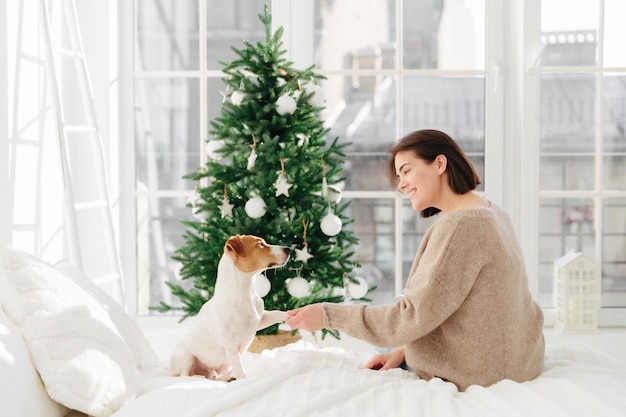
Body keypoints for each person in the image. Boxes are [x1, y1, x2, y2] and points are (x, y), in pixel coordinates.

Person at [285, 129, 545, 391]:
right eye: (399, 177)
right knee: (388, 345)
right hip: (521, 360)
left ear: (440, 164)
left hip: (482, 372)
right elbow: (466, 310)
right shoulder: (492, 212)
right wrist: (404, 351)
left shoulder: (461, 227)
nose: (402, 184)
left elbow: (409, 317)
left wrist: (327, 315)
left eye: (407, 171)